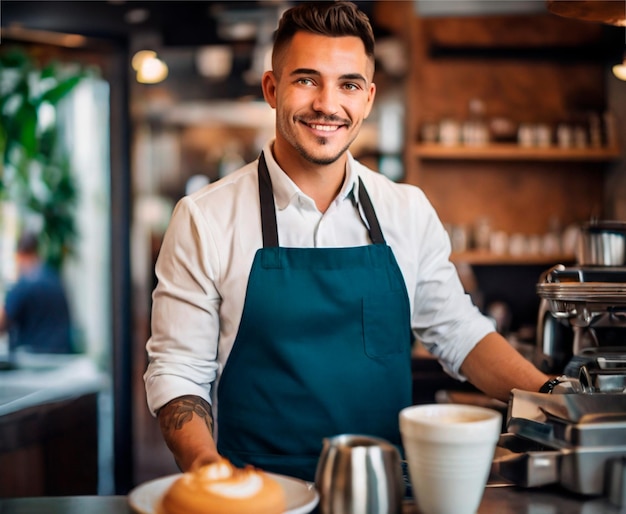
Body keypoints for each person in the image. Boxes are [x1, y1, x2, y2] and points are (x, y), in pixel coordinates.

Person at [144, 1, 551, 482]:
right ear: (272, 89)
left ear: (369, 98)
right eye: (307, 79)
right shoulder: (204, 218)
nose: (327, 104)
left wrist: (554, 398)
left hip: (384, 491)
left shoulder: (406, 210)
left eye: (349, 85)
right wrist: (208, 471)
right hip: (258, 495)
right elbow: (178, 373)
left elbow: (459, 333)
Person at [0, 231, 73, 354]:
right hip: (60, 357)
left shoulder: (24, 284)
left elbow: (2, 323)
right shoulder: (54, 278)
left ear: (19, 255)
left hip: (32, 360)